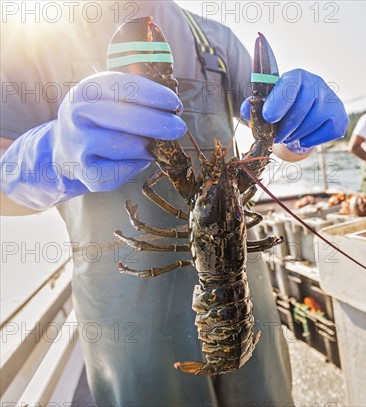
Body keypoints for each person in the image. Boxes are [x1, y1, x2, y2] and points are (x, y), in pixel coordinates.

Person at [0, 1, 348, 405]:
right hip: (126, 310)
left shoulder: (212, 38)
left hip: (245, 295)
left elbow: (278, 137)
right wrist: (51, 154)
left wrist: (299, 132)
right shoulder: (29, 41)